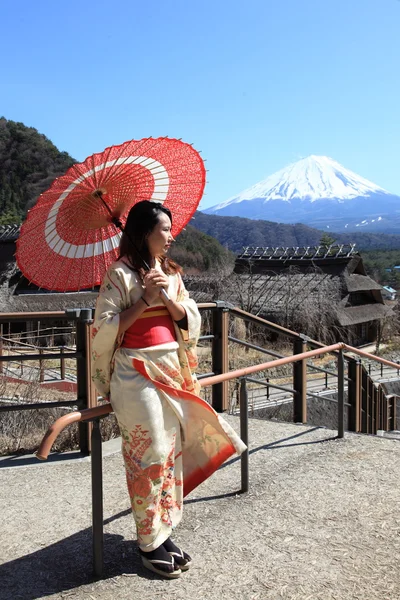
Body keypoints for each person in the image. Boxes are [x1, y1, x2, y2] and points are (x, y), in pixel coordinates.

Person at [91, 200, 245, 579]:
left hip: (170, 368)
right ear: (144, 233)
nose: (171, 235)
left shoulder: (171, 273)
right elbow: (105, 327)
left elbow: (190, 316)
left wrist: (168, 300)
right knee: (150, 452)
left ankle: (164, 530)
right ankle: (148, 543)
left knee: (171, 450)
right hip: (134, 371)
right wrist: (144, 298)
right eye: (164, 229)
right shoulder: (119, 274)